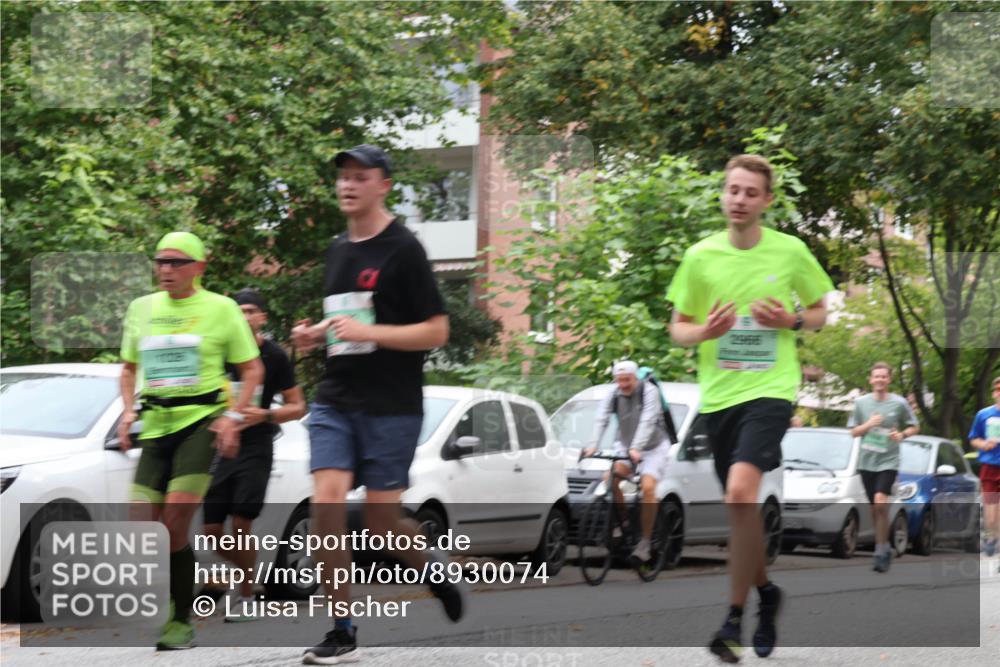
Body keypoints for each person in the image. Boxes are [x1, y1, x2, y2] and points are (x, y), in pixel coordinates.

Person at [290, 144, 458, 665]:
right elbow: (346, 323)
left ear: (384, 184)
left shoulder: (404, 249)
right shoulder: (338, 249)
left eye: (359, 176)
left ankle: (431, 568)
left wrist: (372, 333)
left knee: (384, 524)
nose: (347, 184)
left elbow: (437, 330)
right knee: (327, 505)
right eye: (342, 176)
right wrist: (315, 336)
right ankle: (342, 626)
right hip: (337, 399)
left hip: (391, 404)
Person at [667, 154, 834, 663]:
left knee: (742, 491)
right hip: (718, 397)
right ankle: (767, 593)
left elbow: (822, 313)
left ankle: (733, 619)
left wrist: (791, 319)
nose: (738, 200)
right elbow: (678, 329)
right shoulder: (700, 257)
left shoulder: (791, 252)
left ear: (766, 201)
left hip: (771, 391)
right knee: (740, 512)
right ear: (724, 194)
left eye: (749, 193)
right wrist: (706, 333)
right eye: (732, 190)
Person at [118, 232, 263, 650]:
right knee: (144, 526)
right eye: (161, 261)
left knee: (176, 519)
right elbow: (128, 369)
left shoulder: (222, 309)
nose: (166, 269)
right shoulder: (141, 309)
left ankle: (180, 621)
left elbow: (251, 369)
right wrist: (129, 412)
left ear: (199, 267)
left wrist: (233, 416)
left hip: (201, 422)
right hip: (156, 424)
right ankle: (175, 600)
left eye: (177, 263)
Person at [202, 288, 306, 619]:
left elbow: (298, 406)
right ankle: (245, 576)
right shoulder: (217, 354)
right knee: (212, 532)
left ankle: (244, 597)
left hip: (256, 445)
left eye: (250, 311)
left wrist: (266, 415)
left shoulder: (274, 356)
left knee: (242, 522)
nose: (245, 317)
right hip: (220, 445)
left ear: (262, 317)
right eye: (238, 311)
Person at [581, 360, 672, 564]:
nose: (623, 384)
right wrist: (592, 445)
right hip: (626, 445)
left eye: (627, 379)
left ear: (636, 377)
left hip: (653, 448)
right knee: (609, 478)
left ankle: (645, 543)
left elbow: (648, 420)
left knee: (648, 489)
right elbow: (601, 418)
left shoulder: (649, 392)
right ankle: (622, 520)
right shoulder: (613, 394)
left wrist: (636, 448)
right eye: (619, 380)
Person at [847, 362, 919, 573]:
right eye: (876, 376)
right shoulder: (861, 403)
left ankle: (880, 549)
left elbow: (915, 425)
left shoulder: (899, 403)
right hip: (866, 462)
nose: (879, 380)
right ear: (871, 379)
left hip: (888, 461)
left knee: (880, 502)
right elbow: (853, 432)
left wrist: (902, 435)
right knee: (874, 508)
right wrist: (869, 425)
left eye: (883, 377)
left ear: (889, 380)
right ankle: (883, 546)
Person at [969, 376, 1000, 560]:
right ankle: (992, 538)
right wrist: (983, 445)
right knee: (990, 514)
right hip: (989, 466)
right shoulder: (983, 415)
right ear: (994, 393)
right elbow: (973, 438)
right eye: (998, 389)